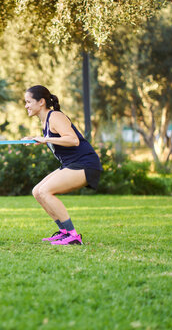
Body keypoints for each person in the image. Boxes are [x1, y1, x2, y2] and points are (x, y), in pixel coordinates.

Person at [23, 85, 102, 246]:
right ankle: (64, 232)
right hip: (72, 163)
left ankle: (73, 236)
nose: (26, 106)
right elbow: (56, 139)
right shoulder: (45, 121)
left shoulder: (55, 116)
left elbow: (73, 140)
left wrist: (46, 139)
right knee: (37, 191)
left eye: (29, 101)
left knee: (45, 191)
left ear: (41, 102)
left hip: (85, 163)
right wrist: (36, 139)